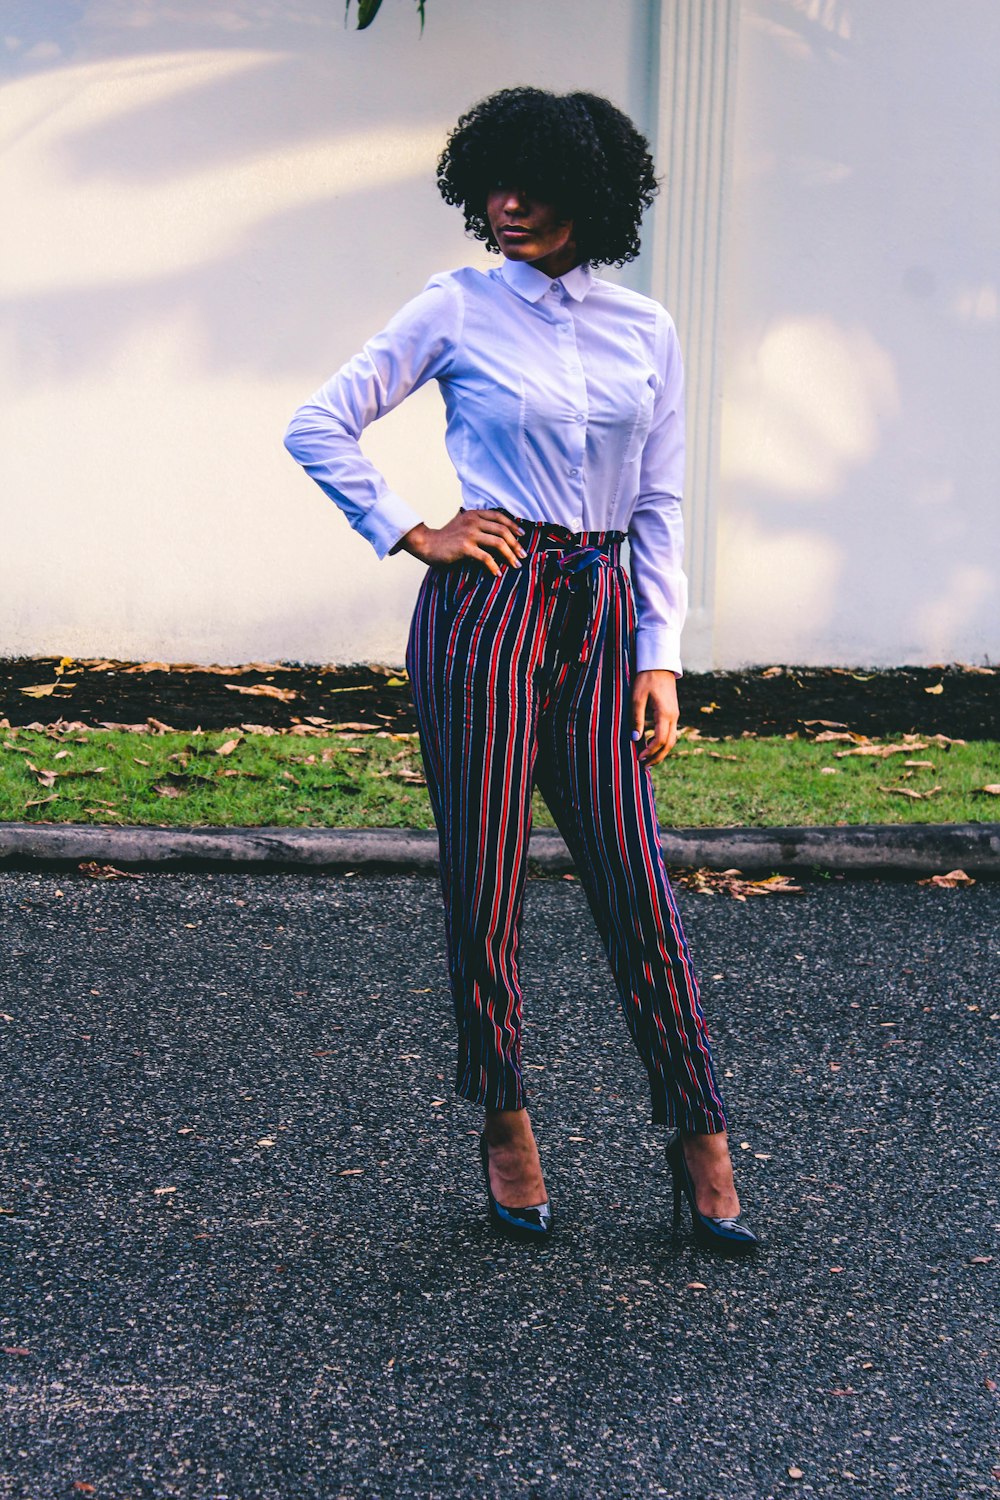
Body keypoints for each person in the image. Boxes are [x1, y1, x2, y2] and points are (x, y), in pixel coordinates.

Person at [284, 86, 757, 1257]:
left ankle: (698, 1133)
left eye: (531, 186)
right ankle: (505, 1122)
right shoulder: (454, 307)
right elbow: (318, 424)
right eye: (490, 183)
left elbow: (659, 501)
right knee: (486, 891)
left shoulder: (645, 330)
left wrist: (660, 656)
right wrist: (414, 530)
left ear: (589, 194)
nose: (505, 205)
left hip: (598, 617)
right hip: (485, 614)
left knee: (637, 890)